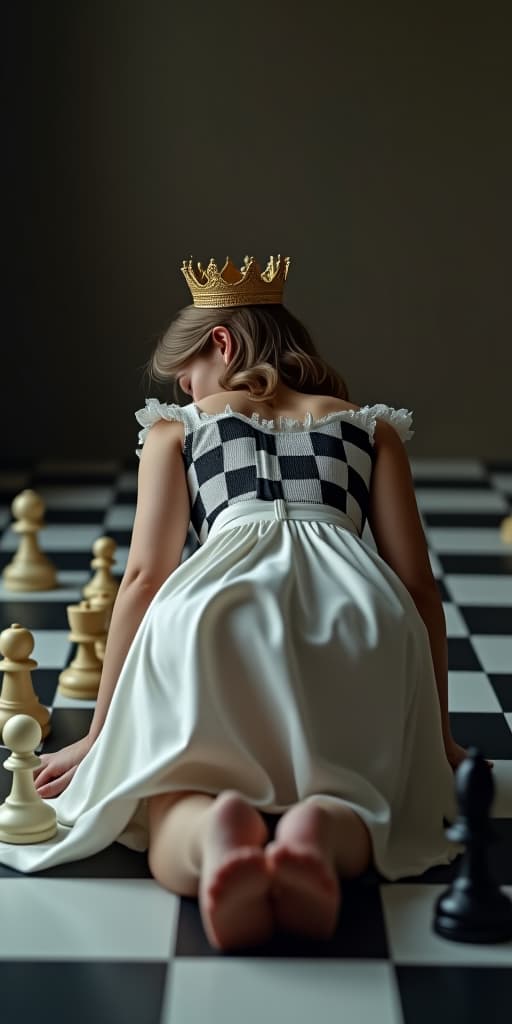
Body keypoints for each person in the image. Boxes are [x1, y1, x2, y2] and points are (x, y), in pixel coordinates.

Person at [0, 255, 478, 951]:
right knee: (369, 801)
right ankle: (320, 831)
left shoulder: (179, 429)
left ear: (221, 343)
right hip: (360, 616)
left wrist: (102, 734)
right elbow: (419, 587)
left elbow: (141, 579)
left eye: (186, 376)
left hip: (213, 613)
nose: (184, 391)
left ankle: (214, 837)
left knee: (171, 800)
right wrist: (438, 737)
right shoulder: (368, 427)